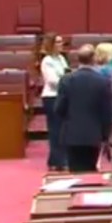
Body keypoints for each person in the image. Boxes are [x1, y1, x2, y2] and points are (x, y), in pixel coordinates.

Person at [54, 45, 112, 172]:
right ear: (94, 59)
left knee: (74, 170)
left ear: (78, 59)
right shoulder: (103, 81)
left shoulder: (66, 80)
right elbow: (107, 113)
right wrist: (105, 135)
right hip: (93, 134)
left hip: (71, 134)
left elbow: (59, 108)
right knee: (90, 170)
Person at [39, 33, 69, 171]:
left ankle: (54, 159)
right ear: (51, 44)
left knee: (62, 129)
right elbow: (52, 81)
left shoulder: (61, 58)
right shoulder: (47, 61)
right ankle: (58, 160)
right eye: (58, 42)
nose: (61, 44)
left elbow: (67, 74)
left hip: (62, 96)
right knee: (56, 129)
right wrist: (66, 80)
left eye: (61, 41)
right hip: (51, 97)